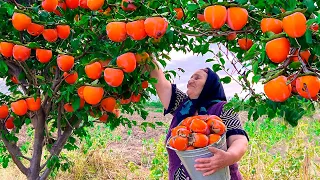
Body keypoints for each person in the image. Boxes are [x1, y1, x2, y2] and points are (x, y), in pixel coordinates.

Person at [148, 60, 249, 180]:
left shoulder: (223, 109)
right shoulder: (183, 106)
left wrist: (229, 157)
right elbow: (160, 81)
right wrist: (145, 53)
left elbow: (239, 139)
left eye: (197, 78)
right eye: (190, 78)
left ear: (209, 85)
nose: (190, 81)